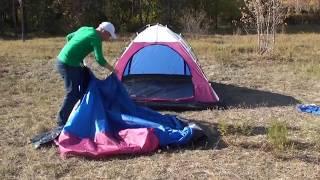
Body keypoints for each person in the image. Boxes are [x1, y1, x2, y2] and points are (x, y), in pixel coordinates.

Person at [56, 22, 117, 126]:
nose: (108, 38)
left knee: (84, 84)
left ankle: (81, 112)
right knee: (73, 93)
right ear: (103, 31)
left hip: (62, 60)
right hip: (68, 64)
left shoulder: (85, 29)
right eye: (109, 35)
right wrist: (112, 69)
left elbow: (69, 37)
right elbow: (99, 59)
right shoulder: (96, 38)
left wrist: (76, 54)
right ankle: (61, 122)